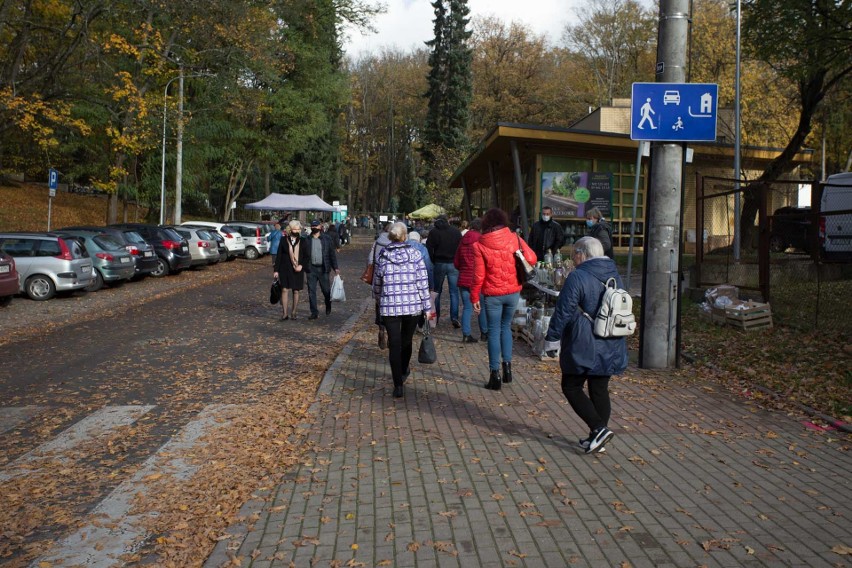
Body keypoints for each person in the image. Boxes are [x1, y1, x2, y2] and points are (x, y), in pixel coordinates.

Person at [544, 237, 627, 454]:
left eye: (573, 255)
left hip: (585, 341)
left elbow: (564, 310)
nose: (573, 260)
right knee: (599, 388)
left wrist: (552, 338)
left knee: (571, 386)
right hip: (611, 338)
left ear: (582, 253)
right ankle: (597, 437)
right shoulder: (614, 273)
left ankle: (599, 429)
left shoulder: (578, 276)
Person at [472, 208, 537, 391]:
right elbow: (532, 258)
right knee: (506, 328)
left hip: (492, 294)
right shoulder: (515, 238)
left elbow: (478, 276)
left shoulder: (480, 245)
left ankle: (495, 375)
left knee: (493, 331)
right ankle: (507, 368)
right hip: (513, 291)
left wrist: (474, 296)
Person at [372, 222, 432, 398]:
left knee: (394, 344)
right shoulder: (415, 254)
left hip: (390, 306)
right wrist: (427, 307)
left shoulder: (383, 255)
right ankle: (404, 368)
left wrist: (378, 298)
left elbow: (377, 282)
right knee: (406, 342)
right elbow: (423, 282)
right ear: (405, 236)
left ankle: (397, 384)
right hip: (412, 306)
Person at [454, 218, 488, 344]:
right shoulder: (482, 240)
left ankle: (466, 334)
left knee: (467, 308)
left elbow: (456, 262)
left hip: (464, 278)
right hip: (478, 279)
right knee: (481, 307)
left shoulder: (462, 240)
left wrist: (463, 268)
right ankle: (484, 333)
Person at [426, 215, 462, 328]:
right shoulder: (456, 232)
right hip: (453, 264)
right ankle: (454, 317)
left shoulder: (433, 232)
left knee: (436, 292)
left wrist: (433, 260)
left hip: (439, 263)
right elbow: (460, 248)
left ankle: (435, 318)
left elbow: (429, 248)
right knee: (454, 292)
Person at [273, 220, 310, 320]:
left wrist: (301, 265)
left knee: (296, 291)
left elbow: (307, 256)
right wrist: (276, 270)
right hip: (285, 268)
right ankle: (285, 313)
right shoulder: (283, 240)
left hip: (297, 269)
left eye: (298, 229)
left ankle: (294, 311)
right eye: (295, 229)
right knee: (284, 289)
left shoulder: (303, 240)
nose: (297, 231)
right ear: (290, 229)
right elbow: (279, 255)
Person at [306, 220, 339, 320]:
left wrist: (335, 267)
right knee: (311, 291)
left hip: (323, 268)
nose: (314, 227)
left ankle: (328, 304)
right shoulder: (307, 239)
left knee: (326, 290)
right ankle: (314, 312)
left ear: (320, 227)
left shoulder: (326, 239)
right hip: (311, 268)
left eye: (316, 225)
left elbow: (331, 254)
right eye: (313, 226)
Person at [368, 222, 392, 348]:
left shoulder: (377, 242)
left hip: (378, 276)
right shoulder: (394, 242)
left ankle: (381, 328)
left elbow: (370, 258)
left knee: (379, 303)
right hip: (390, 279)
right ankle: (389, 331)